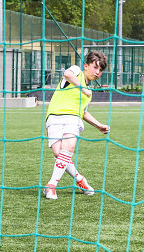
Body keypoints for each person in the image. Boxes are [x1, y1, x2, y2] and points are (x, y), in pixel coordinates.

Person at [43, 51, 110, 200]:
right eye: (95, 67)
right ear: (86, 66)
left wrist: (98, 125)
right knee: (58, 154)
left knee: (69, 148)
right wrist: (82, 88)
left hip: (73, 119)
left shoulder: (89, 93)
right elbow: (67, 74)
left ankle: (51, 186)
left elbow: (83, 113)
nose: (97, 72)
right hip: (53, 117)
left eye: (100, 70)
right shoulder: (76, 71)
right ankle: (80, 179)